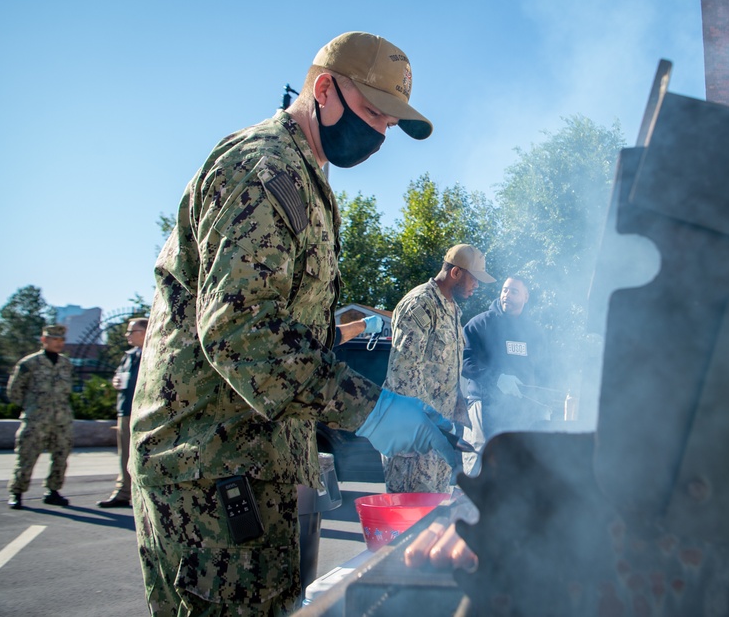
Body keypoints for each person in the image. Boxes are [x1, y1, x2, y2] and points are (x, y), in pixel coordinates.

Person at [129, 31, 459, 616]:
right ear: (324, 89)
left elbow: (295, 332)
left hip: (257, 468)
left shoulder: (307, 176)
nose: (380, 135)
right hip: (208, 473)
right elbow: (243, 337)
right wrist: (373, 411)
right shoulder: (263, 170)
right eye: (372, 114)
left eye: (389, 124)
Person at [382, 244, 495, 493]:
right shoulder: (420, 304)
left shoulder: (452, 308)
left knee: (432, 518)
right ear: (455, 273)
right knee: (409, 519)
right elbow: (403, 375)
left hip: (438, 436)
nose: (476, 285)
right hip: (413, 436)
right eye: (474, 279)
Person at [462, 276, 551, 475]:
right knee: (478, 464)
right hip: (482, 405)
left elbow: (544, 370)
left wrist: (543, 404)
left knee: (516, 467)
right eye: (504, 290)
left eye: (514, 291)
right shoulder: (480, 324)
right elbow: (464, 361)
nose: (506, 295)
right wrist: (496, 378)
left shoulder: (534, 332)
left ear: (526, 297)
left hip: (521, 411)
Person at [6, 324, 74, 509]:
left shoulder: (66, 364)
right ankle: (17, 492)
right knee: (26, 456)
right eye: (54, 339)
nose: (58, 343)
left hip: (61, 420)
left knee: (61, 457)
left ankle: (53, 491)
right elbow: (14, 391)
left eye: (61, 340)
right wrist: (33, 407)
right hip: (36, 419)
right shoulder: (29, 363)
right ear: (44, 340)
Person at [97, 317, 147, 508]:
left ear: (143, 333)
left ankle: (141, 494)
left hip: (144, 411)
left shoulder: (155, 352)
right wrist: (115, 382)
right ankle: (123, 492)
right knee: (124, 454)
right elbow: (119, 376)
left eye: (131, 331)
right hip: (126, 409)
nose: (127, 335)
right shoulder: (129, 355)